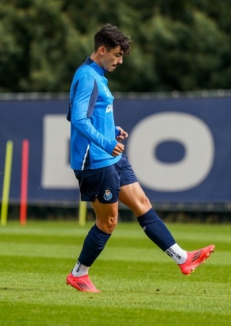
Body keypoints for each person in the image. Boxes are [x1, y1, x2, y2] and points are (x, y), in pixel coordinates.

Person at [65, 23, 215, 293]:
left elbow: (89, 115)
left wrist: (112, 129)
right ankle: (79, 274)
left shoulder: (95, 76)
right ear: (102, 50)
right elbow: (77, 119)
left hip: (110, 156)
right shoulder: (88, 76)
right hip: (96, 161)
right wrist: (106, 142)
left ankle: (183, 258)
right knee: (108, 223)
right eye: (117, 55)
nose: (120, 61)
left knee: (142, 203)